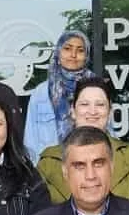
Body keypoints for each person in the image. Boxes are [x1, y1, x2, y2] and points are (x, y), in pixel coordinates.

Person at [37, 79, 129, 205]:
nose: (92, 111)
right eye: (85, 104)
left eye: (100, 104)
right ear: (73, 111)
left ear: (110, 112)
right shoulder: (49, 160)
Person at [23, 30, 94, 159]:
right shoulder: (41, 93)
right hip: (50, 171)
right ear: (58, 53)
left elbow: (109, 133)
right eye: (67, 49)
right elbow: (30, 142)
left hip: (91, 166)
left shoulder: (96, 89)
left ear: (86, 56)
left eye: (80, 50)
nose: (73, 55)